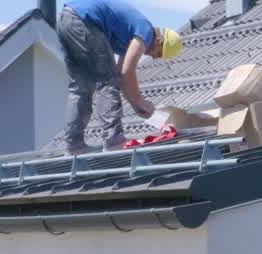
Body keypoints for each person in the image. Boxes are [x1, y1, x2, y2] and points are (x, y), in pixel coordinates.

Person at [55, 0, 183, 154]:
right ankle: (113, 139)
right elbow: (127, 72)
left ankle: (74, 145)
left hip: (65, 20)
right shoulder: (146, 31)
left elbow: (122, 75)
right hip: (83, 20)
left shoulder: (130, 35)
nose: (155, 58)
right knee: (107, 80)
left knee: (80, 88)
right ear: (160, 41)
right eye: (160, 54)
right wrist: (139, 100)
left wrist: (136, 105)